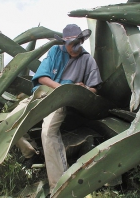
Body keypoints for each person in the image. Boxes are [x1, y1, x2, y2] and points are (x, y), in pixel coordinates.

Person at [11, 24, 103, 194]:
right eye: (70, 44)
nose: (74, 47)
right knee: (10, 121)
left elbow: (94, 88)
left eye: (77, 43)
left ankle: (59, 187)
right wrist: (63, 87)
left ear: (82, 40)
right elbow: (42, 78)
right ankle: (30, 153)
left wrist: (80, 90)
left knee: (48, 133)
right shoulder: (55, 52)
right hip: (40, 96)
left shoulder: (87, 60)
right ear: (63, 43)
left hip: (61, 101)